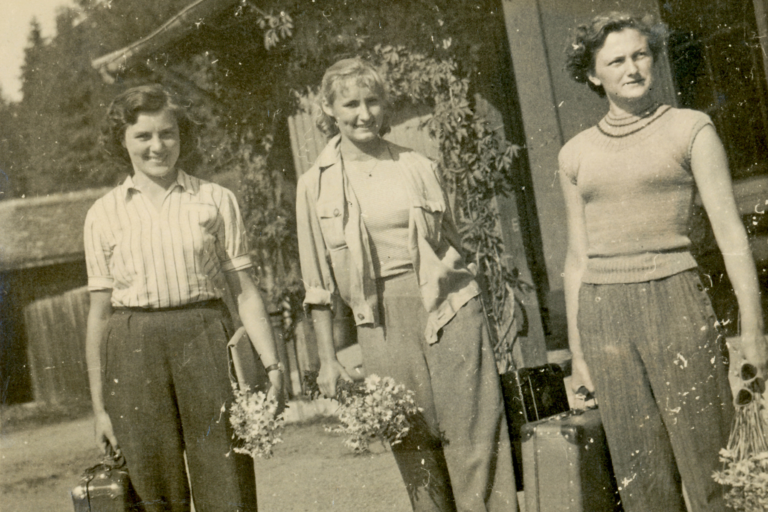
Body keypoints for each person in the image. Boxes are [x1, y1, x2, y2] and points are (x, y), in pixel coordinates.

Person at [560, 12, 768, 512]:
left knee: (713, 466)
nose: (631, 68)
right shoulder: (575, 153)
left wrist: (754, 333)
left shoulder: (691, 128)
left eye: (640, 54)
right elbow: (576, 257)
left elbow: (731, 235)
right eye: (616, 60)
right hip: (603, 313)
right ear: (593, 74)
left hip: (675, 298)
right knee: (641, 476)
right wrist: (578, 352)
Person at [296, 58, 518, 512]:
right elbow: (317, 284)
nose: (364, 114)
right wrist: (328, 359)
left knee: (477, 441)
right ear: (329, 109)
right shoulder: (313, 186)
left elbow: (455, 244)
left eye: (372, 101)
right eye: (351, 103)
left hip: (450, 305)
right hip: (380, 320)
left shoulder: (416, 164)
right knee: (413, 444)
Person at [84, 84, 284, 512]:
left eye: (167, 133)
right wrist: (100, 408)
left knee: (225, 475)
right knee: (151, 483)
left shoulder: (215, 199)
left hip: (205, 336)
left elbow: (244, 292)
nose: (158, 146)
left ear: (181, 136)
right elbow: (99, 315)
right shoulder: (103, 213)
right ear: (123, 141)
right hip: (132, 346)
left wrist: (271, 364)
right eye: (143, 136)